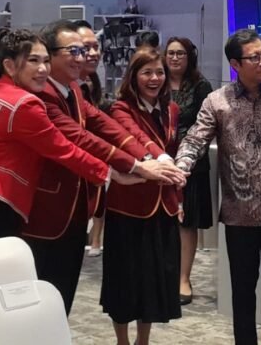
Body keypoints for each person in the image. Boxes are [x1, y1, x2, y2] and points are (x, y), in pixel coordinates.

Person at [0, 29, 142, 287]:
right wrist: (112, 173)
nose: (43, 69)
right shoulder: (23, 103)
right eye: (33, 61)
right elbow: (63, 149)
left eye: (45, 60)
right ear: (10, 65)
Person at [22, 20, 187, 315]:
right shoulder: (42, 94)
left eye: (86, 49)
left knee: (61, 294)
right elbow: (80, 137)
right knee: (39, 294)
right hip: (46, 210)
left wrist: (155, 157)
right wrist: (137, 166)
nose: (84, 57)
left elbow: (105, 125)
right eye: (74, 51)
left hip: (76, 205)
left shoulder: (73, 88)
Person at [175, 29, 261, 345]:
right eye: (255, 57)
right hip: (239, 214)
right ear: (235, 64)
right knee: (242, 290)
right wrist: (179, 168)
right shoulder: (217, 102)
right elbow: (195, 140)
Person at [102, 49, 184, 345]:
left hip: (163, 205)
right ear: (133, 76)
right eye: (146, 72)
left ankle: (143, 340)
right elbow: (137, 138)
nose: (154, 78)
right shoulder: (120, 109)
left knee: (153, 283)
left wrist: (179, 199)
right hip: (128, 206)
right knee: (124, 281)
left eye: (159, 72)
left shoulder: (171, 109)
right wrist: (160, 158)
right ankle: (122, 340)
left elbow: (174, 152)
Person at [164, 37, 213, 305]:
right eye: (170, 53)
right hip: (159, 160)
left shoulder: (201, 85)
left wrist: (186, 157)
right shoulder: (156, 81)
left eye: (180, 53)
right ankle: (163, 275)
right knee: (161, 221)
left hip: (192, 164)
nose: (174, 58)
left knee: (187, 222)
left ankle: (183, 278)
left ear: (189, 56)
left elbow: (206, 126)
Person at [74, 20, 106, 258]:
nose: (93, 53)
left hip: (89, 168)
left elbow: (105, 125)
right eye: (86, 48)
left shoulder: (85, 87)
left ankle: (94, 240)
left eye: (96, 47)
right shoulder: (53, 91)